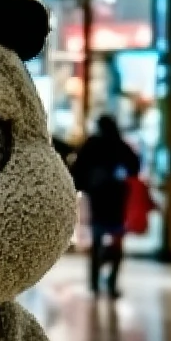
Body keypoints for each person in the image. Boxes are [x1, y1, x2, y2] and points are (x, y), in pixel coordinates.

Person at [72, 114, 140, 297]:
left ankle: (94, 281)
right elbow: (135, 165)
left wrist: (83, 187)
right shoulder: (119, 144)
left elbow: (78, 169)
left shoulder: (92, 144)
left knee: (97, 237)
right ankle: (111, 282)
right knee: (116, 238)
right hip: (116, 199)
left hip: (98, 198)